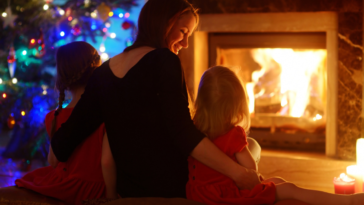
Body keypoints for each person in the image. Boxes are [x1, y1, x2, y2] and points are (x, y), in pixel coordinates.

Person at [50, 0, 261, 199]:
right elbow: (184, 135)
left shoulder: (102, 73)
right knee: (249, 146)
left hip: (129, 190)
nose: (186, 43)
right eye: (183, 32)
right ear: (166, 23)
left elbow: (62, 144)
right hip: (175, 185)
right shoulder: (164, 60)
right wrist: (239, 174)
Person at [186, 66, 364, 205]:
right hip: (228, 198)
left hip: (201, 195)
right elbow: (251, 171)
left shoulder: (195, 131)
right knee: (291, 189)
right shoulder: (233, 135)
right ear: (236, 107)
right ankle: (347, 201)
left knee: (277, 181)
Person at [15, 41, 118, 204]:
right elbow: (107, 161)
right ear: (96, 70)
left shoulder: (53, 117)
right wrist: (112, 196)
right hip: (94, 189)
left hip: (62, 185)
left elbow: (53, 161)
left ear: (62, 77)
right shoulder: (106, 114)